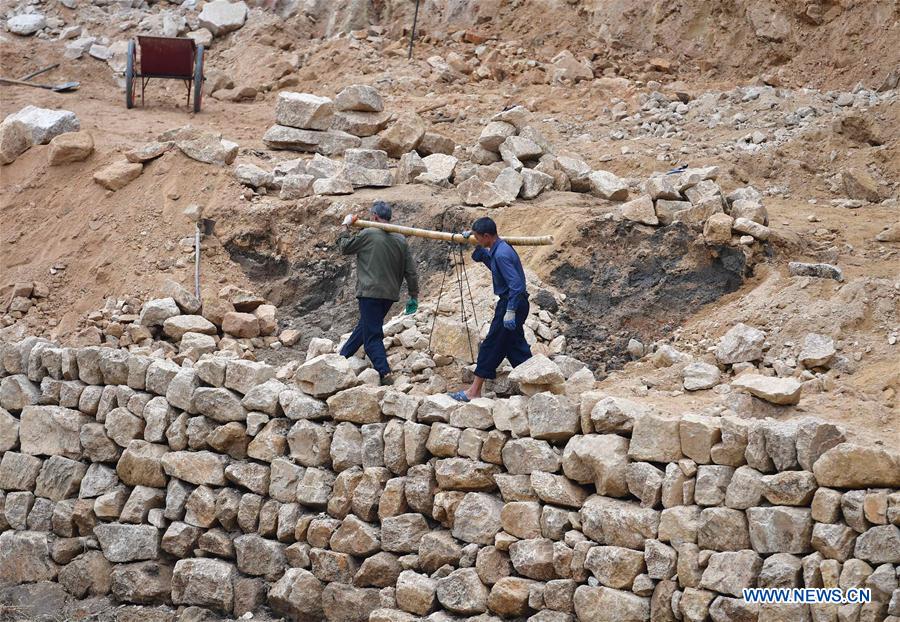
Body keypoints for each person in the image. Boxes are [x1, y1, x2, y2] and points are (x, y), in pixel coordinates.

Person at [449, 217, 531, 402]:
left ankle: (474, 391)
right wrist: (473, 242)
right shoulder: (499, 249)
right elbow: (490, 263)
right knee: (514, 346)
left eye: (477, 237)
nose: (476, 240)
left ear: (487, 236)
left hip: (512, 302)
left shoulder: (501, 254)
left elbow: (516, 285)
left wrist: (510, 310)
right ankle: (538, 384)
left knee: (491, 344)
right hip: (517, 303)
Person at [338, 201, 419, 385]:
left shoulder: (368, 233)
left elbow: (344, 247)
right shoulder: (400, 240)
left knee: (372, 336)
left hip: (370, 293)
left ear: (374, 216)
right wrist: (414, 294)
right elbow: (411, 271)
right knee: (365, 326)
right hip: (389, 295)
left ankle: (384, 372)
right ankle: (343, 357)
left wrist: (345, 225)